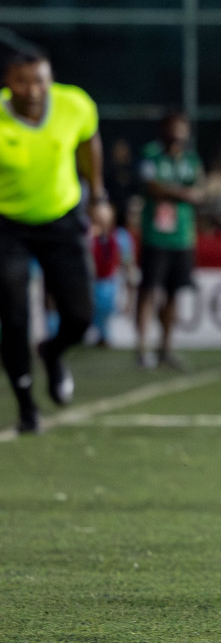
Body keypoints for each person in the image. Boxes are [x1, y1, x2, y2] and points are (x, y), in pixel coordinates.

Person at [0, 46, 104, 433]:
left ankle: (53, 351)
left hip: (62, 218)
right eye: (22, 81)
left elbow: (89, 141)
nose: (32, 89)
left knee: (80, 317)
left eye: (40, 79)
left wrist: (99, 196)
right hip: (7, 224)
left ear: (50, 79)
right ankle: (27, 406)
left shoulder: (74, 104)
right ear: (8, 83)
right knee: (13, 316)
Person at [135, 111, 203, 371]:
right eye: (174, 127)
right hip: (155, 234)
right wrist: (182, 193)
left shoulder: (190, 159)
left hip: (183, 237)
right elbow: (150, 186)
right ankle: (142, 347)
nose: (178, 133)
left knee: (174, 293)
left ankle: (165, 347)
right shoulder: (151, 154)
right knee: (149, 290)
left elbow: (200, 190)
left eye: (182, 128)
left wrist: (176, 192)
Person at [87, 200, 135, 347]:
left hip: (109, 283)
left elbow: (127, 263)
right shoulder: (86, 233)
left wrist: (130, 293)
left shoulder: (121, 236)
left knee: (105, 304)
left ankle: (103, 334)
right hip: (88, 282)